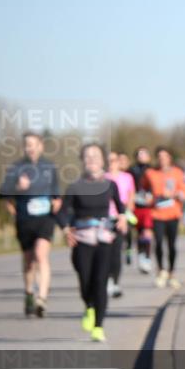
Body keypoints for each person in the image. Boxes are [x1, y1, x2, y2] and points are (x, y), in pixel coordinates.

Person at [57, 143, 128, 342]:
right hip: (81, 240)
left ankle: (98, 326)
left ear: (103, 161)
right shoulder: (75, 186)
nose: (92, 160)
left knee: (100, 282)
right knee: (85, 281)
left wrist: (122, 218)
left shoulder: (110, 185)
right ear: (82, 161)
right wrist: (65, 229)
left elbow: (121, 207)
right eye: (88, 157)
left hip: (104, 239)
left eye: (96, 156)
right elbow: (62, 213)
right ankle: (88, 306)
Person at [0, 132, 61, 317]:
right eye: (27, 145)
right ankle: (29, 293)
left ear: (41, 146)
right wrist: (17, 188)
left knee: (41, 255)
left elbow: (57, 194)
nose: (30, 148)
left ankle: (42, 298)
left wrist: (56, 203)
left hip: (45, 219)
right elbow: (2, 193)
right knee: (29, 262)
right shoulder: (16, 168)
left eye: (33, 144)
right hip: (25, 219)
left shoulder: (49, 167)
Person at [142, 147, 185, 290]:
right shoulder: (150, 173)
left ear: (170, 158)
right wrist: (148, 196)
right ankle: (161, 271)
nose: (162, 159)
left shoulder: (177, 173)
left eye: (165, 156)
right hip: (157, 213)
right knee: (159, 242)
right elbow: (143, 189)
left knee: (172, 245)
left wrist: (176, 194)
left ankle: (172, 273)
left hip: (173, 213)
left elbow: (184, 192)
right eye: (159, 156)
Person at [105, 150, 136, 299]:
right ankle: (106, 280)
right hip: (104, 219)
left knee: (116, 252)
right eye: (108, 160)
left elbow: (131, 195)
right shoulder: (102, 178)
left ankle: (115, 282)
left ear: (118, 162)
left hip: (120, 218)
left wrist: (127, 214)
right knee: (105, 252)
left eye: (113, 160)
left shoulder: (127, 177)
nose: (111, 164)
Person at [128, 147, 155, 273]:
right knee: (139, 233)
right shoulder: (131, 170)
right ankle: (140, 255)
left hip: (148, 206)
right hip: (136, 206)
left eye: (145, 154)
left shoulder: (153, 169)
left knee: (147, 232)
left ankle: (147, 258)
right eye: (140, 154)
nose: (142, 156)